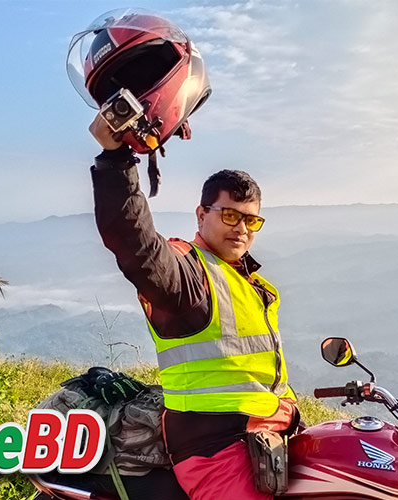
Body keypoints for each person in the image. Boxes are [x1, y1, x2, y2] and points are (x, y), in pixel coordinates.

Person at [88, 119, 298, 500]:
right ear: (201, 215)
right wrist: (116, 160)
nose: (242, 229)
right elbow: (138, 247)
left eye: (251, 220)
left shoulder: (252, 284)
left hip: (269, 435)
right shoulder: (189, 276)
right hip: (216, 450)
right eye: (230, 215)